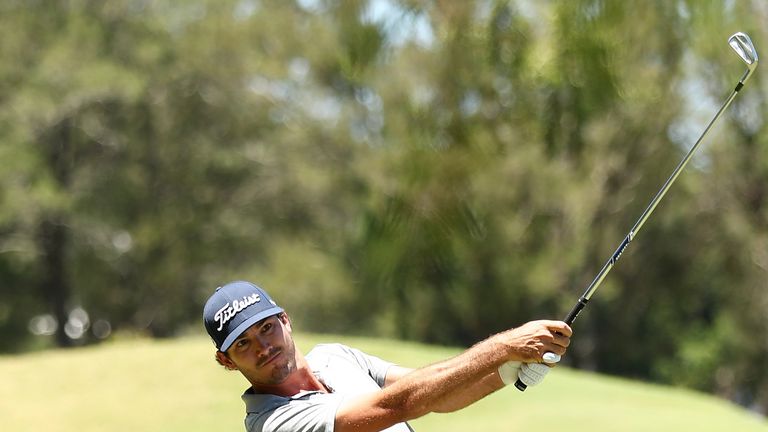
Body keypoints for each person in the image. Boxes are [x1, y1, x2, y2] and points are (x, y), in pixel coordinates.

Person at [203, 280, 572, 432]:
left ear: (285, 319)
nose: (263, 347)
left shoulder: (334, 356)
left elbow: (437, 395)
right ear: (227, 362)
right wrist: (504, 346)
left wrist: (509, 371)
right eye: (243, 344)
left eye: (266, 328)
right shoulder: (275, 423)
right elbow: (400, 404)